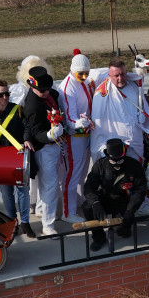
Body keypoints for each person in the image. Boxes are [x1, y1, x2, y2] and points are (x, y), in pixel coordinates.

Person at [0, 79, 35, 239]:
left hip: (16, 156)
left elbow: (26, 127)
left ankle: (25, 222)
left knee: (23, 191)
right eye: (1, 94)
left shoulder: (17, 110)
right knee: (6, 193)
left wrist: (26, 139)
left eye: (7, 94)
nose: (5, 97)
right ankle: (12, 222)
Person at [83, 138, 148, 251]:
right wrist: (95, 202)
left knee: (123, 231)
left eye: (119, 161)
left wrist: (130, 210)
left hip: (122, 200)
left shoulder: (134, 166)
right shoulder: (100, 165)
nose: (117, 164)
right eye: (113, 161)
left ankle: (122, 226)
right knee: (87, 207)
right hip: (104, 197)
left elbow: (140, 190)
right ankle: (98, 237)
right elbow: (89, 186)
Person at [22, 66, 65, 236]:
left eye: (47, 88)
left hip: (56, 145)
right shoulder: (32, 105)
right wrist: (49, 135)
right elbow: (35, 132)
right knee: (50, 186)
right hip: (44, 149)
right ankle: (48, 224)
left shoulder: (52, 94)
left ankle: (42, 209)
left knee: (49, 185)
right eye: (42, 90)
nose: (46, 92)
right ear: (33, 88)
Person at [91, 57, 149, 163]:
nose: (120, 78)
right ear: (109, 76)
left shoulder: (134, 86)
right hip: (115, 143)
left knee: (136, 171)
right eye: (116, 76)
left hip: (134, 141)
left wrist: (142, 115)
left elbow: (141, 102)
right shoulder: (102, 94)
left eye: (122, 74)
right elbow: (98, 123)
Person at [58, 49, 95, 223]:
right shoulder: (67, 87)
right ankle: (68, 212)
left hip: (86, 136)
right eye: (81, 73)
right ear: (73, 70)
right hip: (74, 138)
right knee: (72, 175)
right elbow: (70, 118)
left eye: (86, 73)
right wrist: (82, 123)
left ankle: (78, 200)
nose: (84, 76)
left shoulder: (84, 82)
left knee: (81, 174)